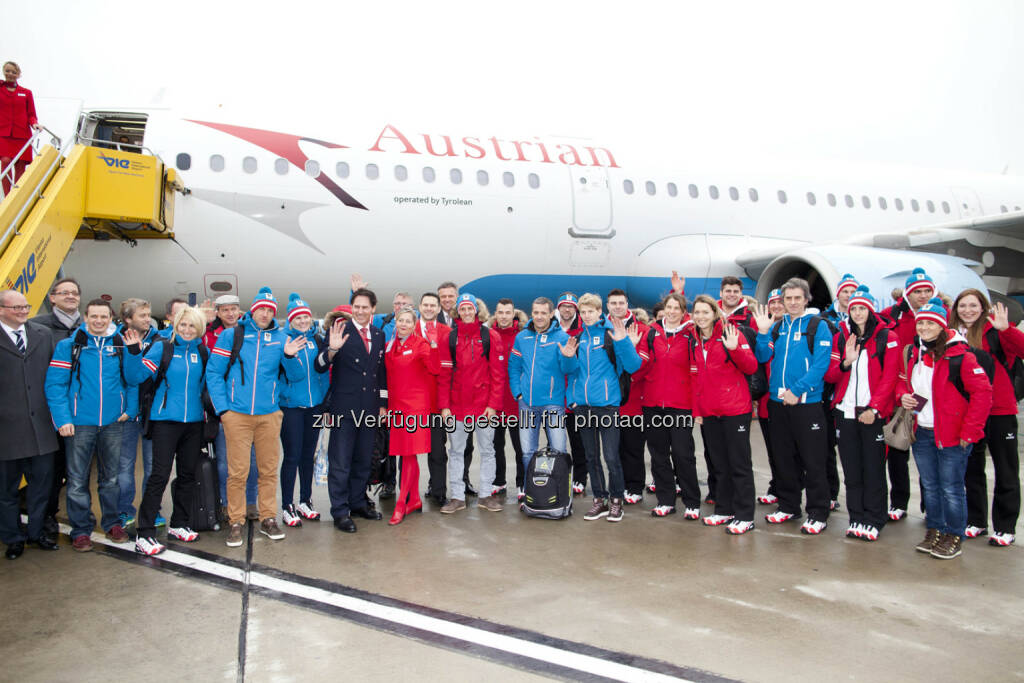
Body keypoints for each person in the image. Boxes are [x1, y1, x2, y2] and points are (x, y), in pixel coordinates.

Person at [206, 287, 304, 547]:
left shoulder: (281, 337)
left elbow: (294, 376)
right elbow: (214, 373)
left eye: (270, 310)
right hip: (236, 415)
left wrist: (290, 356)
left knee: (268, 471)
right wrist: (223, 410)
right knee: (237, 472)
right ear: (253, 309)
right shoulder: (232, 335)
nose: (265, 313)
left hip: (269, 415)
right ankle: (235, 520)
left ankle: (268, 518)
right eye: (261, 308)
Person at [897, 298, 993, 559]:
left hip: (952, 435)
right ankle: (936, 529)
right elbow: (905, 384)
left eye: (930, 323)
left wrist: (970, 432)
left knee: (951, 488)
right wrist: (903, 396)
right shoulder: (914, 352)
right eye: (921, 323)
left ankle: (954, 534)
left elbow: (983, 394)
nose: (924, 328)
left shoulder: (961, 356)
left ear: (941, 326)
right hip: (923, 432)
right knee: (930, 486)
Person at [45, 298, 139, 551]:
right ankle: (81, 530)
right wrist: (63, 419)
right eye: (94, 316)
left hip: (112, 422)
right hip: (79, 424)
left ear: (111, 319)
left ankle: (111, 523)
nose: (98, 321)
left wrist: (129, 409)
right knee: (76, 481)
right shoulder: (70, 346)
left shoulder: (120, 344)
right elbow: (55, 385)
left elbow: (132, 380)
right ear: (85, 318)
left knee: (110, 479)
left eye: (104, 317)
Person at [124, 306, 210, 556]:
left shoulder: (202, 351)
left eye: (192, 326)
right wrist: (132, 353)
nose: (186, 330)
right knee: (159, 476)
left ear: (199, 329)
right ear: (175, 326)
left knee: (187, 475)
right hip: (165, 422)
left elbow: (206, 385)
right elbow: (136, 376)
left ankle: (179, 523)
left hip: (194, 423)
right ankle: (145, 532)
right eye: (182, 325)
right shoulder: (163, 347)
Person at [752, 277, 834, 535]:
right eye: (788, 298)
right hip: (778, 405)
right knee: (783, 458)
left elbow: (821, 365)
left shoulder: (818, 326)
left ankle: (818, 511)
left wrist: (796, 391)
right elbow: (762, 357)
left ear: (807, 299)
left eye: (798, 298)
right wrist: (763, 333)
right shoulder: (778, 327)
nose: (793, 302)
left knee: (813, 460)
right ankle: (788, 505)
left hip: (806, 404)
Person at [823, 287, 899, 541]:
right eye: (853, 308)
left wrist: (875, 408)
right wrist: (846, 361)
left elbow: (889, 378)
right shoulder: (842, 338)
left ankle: (875, 518)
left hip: (872, 413)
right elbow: (831, 375)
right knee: (852, 469)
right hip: (846, 412)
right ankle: (856, 517)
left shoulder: (887, 337)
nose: (857, 313)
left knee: (873, 470)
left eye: (862, 308)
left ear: (870, 310)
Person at [950, 290, 1023, 547]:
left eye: (973, 305)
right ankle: (976, 520)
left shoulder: (997, 330)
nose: (968, 310)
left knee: (1006, 470)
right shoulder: (952, 335)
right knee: (972, 469)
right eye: (963, 306)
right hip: (969, 412)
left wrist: (1006, 330)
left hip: (999, 411)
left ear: (983, 308)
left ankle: (1004, 525)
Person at [315, 287, 388, 533]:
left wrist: (383, 404)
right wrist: (332, 350)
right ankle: (340, 511)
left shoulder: (378, 334)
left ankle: (358, 502)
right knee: (341, 462)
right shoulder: (339, 330)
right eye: (356, 306)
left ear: (373, 309)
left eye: (365, 307)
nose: (360, 311)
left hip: (368, 408)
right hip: (343, 409)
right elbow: (320, 365)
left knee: (363, 460)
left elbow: (380, 373)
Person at [688, 295, 759, 534]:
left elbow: (751, 366)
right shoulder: (695, 340)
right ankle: (724, 509)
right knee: (719, 465)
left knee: (739, 464)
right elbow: (696, 378)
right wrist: (698, 410)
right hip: (710, 412)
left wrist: (735, 349)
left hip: (735, 410)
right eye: (696, 312)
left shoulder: (731, 333)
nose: (700, 317)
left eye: (705, 312)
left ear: (715, 313)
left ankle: (745, 515)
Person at [570, 294, 642, 522]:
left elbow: (633, 365)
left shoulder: (611, 335)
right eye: (583, 312)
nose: (587, 315)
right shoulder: (580, 337)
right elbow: (574, 373)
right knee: (591, 457)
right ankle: (599, 500)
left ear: (600, 311)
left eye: (591, 311)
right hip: (583, 407)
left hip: (607, 407)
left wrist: (623, 342)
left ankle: (616, 501)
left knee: (611, 457)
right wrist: (574, 398)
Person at [879, 267, 942, 522]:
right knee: (898, 450)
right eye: (918, 291)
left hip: (933, 398)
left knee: (932, 455)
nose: (923, 295)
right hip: (901, 395)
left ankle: (932, 506)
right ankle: (899, 501)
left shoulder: (941, 316)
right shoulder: (890, 317)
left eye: (928, 290)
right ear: (908, 293)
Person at [0, 289, 58, 559]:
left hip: (42, 429)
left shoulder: (42, 335)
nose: (23, 311)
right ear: (1, 310)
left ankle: (36, 533)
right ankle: (13, 538)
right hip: (7, 431)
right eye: (16, 308)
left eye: (26, 306)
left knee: (41, 487)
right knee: (7, 491)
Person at [438, 294, 505, 514]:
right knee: (456, 451)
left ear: (476, 311)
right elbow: (445, 375)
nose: (467, 312)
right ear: (458, 312)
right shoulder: (450, 338)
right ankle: (457, 497)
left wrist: (493, 405)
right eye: (463, 309)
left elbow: (498, 374)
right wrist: (445, 406)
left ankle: (485, 494)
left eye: (470, 309)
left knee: (487, 451)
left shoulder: (490, 336)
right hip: (457, 406)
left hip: (484, 406)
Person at [30, 277, 82, 536]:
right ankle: (45, 521)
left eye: (74, 293)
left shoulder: (90, 327)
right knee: (49, 471)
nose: (70, 296)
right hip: (48, 412)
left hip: (82, 412)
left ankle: (77, 522)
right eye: (64, 293)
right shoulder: (37, 327)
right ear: (52, 298)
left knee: (76, 472)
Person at [642, 293, 700, 519]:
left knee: (683, 455)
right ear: (663, 309)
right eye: (669, 307)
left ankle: (692, 501)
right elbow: (641, 364)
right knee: (658, 456)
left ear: (684, 311)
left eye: (677, 307)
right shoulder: (651, 333)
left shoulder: (691, 334)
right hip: (653, 404)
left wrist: (697, 407)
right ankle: (665, 500)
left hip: (681, 405)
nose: (672, 311)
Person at [508, 297, 578, 480]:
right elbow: (514, 367)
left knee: (559, 450)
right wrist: (518, 393)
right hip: (527, 404)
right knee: (527, 452)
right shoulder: (522, 337)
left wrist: (569, 357)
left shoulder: (562, 337)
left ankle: (560, 492)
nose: (539, 317)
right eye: (536, 312)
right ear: (532, 313)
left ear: (551, 314)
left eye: (543, 313)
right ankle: (533, 491)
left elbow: (569, 370)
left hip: (553, 404)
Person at [202, 294, 258, 519]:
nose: (230, 313)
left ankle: (251, 502)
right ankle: (227, 503)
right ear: (217, 312)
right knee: (226, 462)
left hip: (248, 405)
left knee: (252, 461)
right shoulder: (208, 335)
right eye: (224, 310)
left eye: (234, 309)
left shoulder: (250, 331)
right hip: (224, 407)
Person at [385, 307, 441, 525]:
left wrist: (434, 345)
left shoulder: (421, 344)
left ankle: (401, 504)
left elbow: (435, 369)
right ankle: (415, 499)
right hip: (396, 407)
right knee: (406, 454)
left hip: (415, 407)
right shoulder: (390, 345)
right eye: (401, 320)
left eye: (408, 321)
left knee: (408, 455)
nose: (404, 324)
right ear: (396, 322)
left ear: (414, 324)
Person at [279, 294, 330, 527]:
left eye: (306, 317)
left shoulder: (317, 339)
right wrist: (288, 355)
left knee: (307, 456)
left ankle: (305, 500)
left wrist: (325, 403)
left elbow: (323, 373)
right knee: (292, 456)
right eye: (298, 317)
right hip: (291, 407)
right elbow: (293, 375)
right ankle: (287, 505)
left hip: (315, 407)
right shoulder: (283, 340)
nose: (302, 321)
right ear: (290, 320)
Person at [115, 298, 160, 529]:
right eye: (142, 315)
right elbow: (127, 379)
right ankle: (124, 510)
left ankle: (152, 511)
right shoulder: (115, 341)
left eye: (148, 314)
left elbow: (148, 376)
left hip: (152, 412)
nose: (147, 319)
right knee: (125, 465)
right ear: (128, 319)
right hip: (126, 414)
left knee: (153, 465)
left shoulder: (159, 340)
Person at [411, 292, 452, 506]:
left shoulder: (447, 332)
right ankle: (408, 494)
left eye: (432, 305)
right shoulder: (409, 329)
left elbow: (451, 368)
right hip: (412, 401)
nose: (428, 308)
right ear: (419, 306)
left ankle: (439, 491)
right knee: (408, 452)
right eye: (425, 304)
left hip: (437, 402)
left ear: (438, 309)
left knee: (438, 450)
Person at [489, 299, 526, 498]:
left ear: (514, 314)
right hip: (495, 403)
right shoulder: (488, 335)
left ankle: (522, 483)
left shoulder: (522, 336)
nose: (504, 316)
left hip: (516, 402)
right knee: (496, 445)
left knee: (521, 447)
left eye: (507, 312)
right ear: (496, 313)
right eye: (500, 312)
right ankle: (499, 481)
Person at [555, 292, 588, 494]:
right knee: (556, 443)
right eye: (564, 306)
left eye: (571, 307)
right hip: (555, 396)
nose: (567, 310)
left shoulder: (583, 332)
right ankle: (558, 477)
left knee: (578, 442)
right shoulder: (552, 329)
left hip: (574, 397)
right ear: (558, 308)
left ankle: (580, 478)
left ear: (576, 310)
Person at [756, 288, 783, 506]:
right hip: (768, 400)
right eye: (772, 303)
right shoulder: (764, 330)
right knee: (775, 450)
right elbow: (760, 357)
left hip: (794, 400)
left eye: (780, 302)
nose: (776, 306)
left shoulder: (803, 328)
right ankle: (778, 487)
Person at [0, 61, 39, 193]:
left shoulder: (26, 93)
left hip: (22, 134)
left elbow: (31, 114)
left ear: (18, 74)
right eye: (7, 71)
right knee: (5, 161)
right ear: (4, 72)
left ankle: (17, 196)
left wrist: (34, 123)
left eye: (14, 72)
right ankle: (7, 196)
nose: (10, 74)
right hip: (4, 134)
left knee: (20, 166)